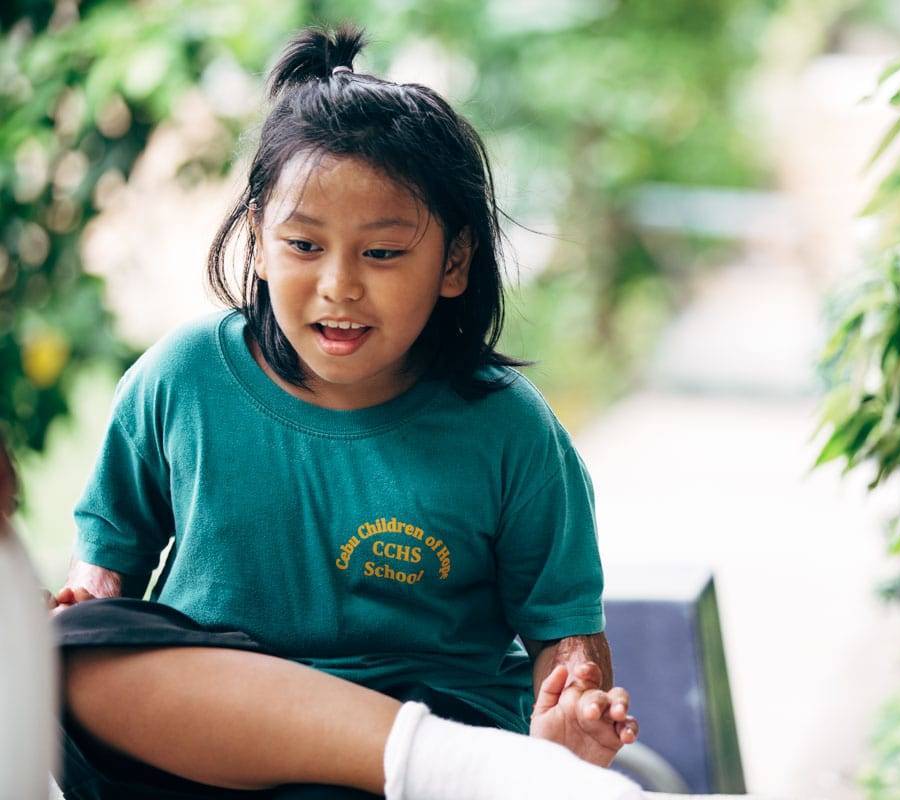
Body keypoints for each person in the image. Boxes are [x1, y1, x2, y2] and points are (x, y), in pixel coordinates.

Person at [47, 24, 642, 800]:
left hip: (429, 743)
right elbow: (103, 575)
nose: (339, 285)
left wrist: (572, 714)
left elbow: (567, 643)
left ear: (454, 262)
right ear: (257, 241)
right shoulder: (180, 378)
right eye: (302, 245)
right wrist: (87, 602)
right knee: (63, 649)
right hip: (206, 743)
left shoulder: (510, 431)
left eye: (383, 253)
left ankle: (435, 765)